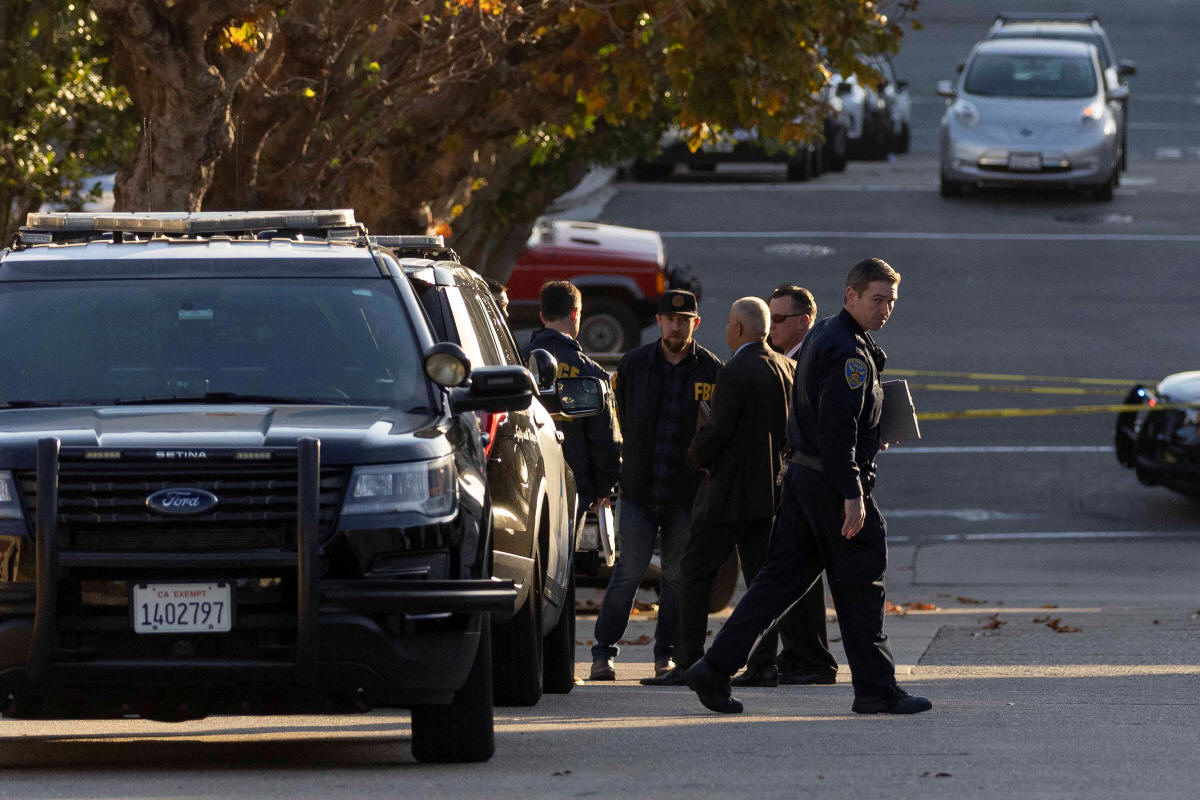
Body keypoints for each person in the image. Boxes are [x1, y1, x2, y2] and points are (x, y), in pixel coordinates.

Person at [683, 258, 932, 716]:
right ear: (851, 295)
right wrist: (852, 493)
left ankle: (714, 667)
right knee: (860, 583)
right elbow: (836, 428)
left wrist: (870, 433)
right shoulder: (848, 351)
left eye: (892, 301)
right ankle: (876, 689)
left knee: (777, 583)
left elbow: (831, 418)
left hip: (805, 478)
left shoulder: (829, 336)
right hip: (831, 484)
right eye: (877, 299)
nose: (885, 309)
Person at [641, 297, 794, 687]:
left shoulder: (735, 370)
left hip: (727, 493)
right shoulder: (786, 367)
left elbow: (717, 430)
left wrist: (696, 454)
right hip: (769, 493)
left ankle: (689, 659)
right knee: (762, 581)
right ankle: (764, 663)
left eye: (728, 322)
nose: (726, 329)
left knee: (694, 571)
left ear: (738, 327)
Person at [589, 289, 722, 681]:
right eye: (670, 319)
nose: (676, 327)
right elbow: (615, 421)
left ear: (696, 324)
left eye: (684, 321)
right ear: (660, 321)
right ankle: (603, 654)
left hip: (685, 494)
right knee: (629, 571)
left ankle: (666, 656)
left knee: (676, 577)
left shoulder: (711, 371)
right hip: (639, 490)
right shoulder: (634, 364)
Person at [722, 284, 839, 688]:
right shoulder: (786, 359)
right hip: (788, 483)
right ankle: (797, 657)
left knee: (796, 574)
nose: (771, 326)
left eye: (780, 319)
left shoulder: (810, 359)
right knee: (792, 573)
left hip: (805, 481)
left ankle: (810, 660)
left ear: (804, 321)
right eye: (770, 317)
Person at [520, 280, 621, 515]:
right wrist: (603, 487)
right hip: (574, 489)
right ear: (575, 314)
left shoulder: (515, 361)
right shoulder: (591, 372)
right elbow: (604, 436)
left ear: (542, 316)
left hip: (524, 483)